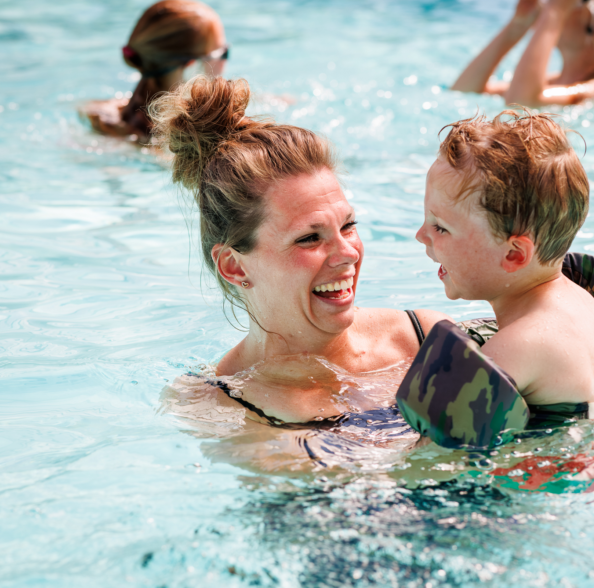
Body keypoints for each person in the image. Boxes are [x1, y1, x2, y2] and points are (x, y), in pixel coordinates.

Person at [150, 75, 450, 426]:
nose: (348, 253)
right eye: (309, 238)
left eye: (348, 226)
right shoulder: (214, 404)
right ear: (234, 266)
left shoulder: (424, 340)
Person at [414, 110, 594, 412]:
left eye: (440, 227)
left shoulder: (513, 350)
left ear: (514, 254)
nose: (421, 235)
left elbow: (437, 449)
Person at [452, 0, 594, 107]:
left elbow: (520, 104)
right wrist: (517, 26)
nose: (552, 2)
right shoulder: (550, 83)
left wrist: (555, 12)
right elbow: (464, 91)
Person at [81, 0, 229, 143]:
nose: (225, 62)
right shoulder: (181, 145)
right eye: (224, 53)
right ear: (192, 66)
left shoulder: (100, 112)